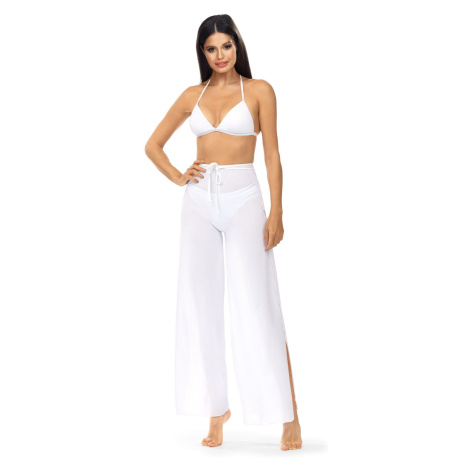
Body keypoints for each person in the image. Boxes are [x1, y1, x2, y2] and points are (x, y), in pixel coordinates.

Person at [144, 14, 302, 451]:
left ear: (237, 45)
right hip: (198, 202)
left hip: (244, 199)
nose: (220, 55)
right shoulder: (192, 96)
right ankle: (216, 411)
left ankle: (289, 414)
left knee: (259, 304)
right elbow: (152, 145)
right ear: (203, 52)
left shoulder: (259, 90)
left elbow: (272, 155)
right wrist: (179, 176)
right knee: (200, 304)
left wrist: (277, 210)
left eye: (226, 46)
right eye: (211, 48)